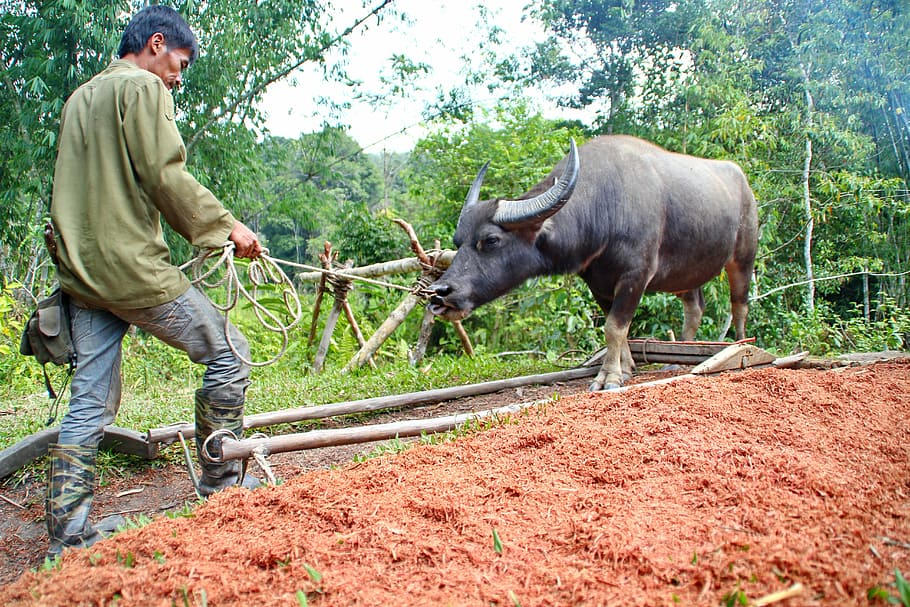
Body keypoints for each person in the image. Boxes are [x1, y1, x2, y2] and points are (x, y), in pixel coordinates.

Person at [46, 5, 261, 557]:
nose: (178, 77)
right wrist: (225, 227)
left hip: (83, 274)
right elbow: (165, 175)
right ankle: (223, 488)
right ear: (156, 43)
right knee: (230, 354)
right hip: (132, 271)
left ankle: (68, 538)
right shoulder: (143, 88)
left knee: (88, 403)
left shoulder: (78, 100)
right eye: (179, 63)